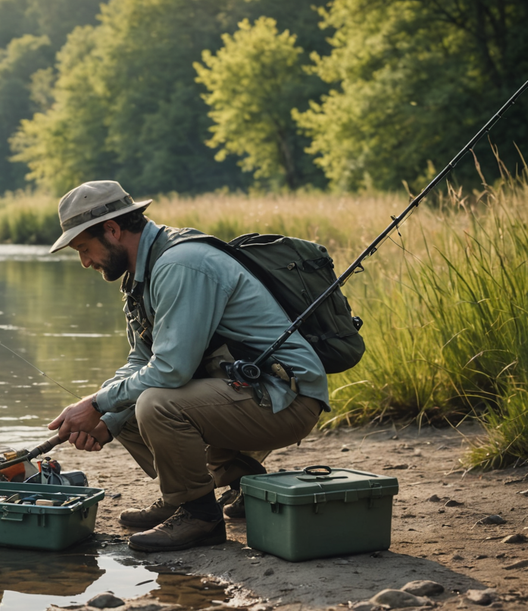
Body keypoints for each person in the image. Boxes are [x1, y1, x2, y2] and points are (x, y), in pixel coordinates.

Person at [46, 180, 330, 552]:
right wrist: (104, 420)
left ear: (113, 230)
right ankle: (202, 488)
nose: (84, 261)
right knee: (122, 403)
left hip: (285, 399)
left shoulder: (181, 264)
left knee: (154, 403)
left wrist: (96, 404)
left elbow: (170, 372)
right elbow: (141, 361)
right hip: (241, 393)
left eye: (84, 248)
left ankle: (200, 517)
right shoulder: (141, 275)